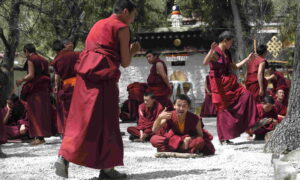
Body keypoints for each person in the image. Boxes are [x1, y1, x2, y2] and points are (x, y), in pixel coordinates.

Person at [55, 1, 140, 179]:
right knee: (107, 122)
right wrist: (133, 51)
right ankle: (108, 169)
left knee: (81, 120)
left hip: (84, 79)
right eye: (133, 15)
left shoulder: (98, 24)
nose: (132, 20)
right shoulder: (122, 27)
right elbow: (125, 62)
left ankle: (64, 156)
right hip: (103, 80)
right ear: (125, 11)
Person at [203, 31, 258, 144]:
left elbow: (234, 66)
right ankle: (224, 138)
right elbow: (205, 62)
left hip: (229, 81)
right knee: (223, 109)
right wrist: (210, 50)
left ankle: (249, 123)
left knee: (247, 95)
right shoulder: (216, 52)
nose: (231, 44)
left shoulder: (227, 53)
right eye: (231, 42)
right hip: (219, 84)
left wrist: (247, 59)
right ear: (225, 40)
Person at [150, 94, 215, 155]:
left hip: (188, 140)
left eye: (184, 106)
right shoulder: (169, 115)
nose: (181, 108)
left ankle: (172, 149)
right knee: (154, 139)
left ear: (188, 107)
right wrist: (159, 118)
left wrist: (189, 138)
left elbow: (200, 135)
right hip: (173, 140)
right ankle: (185, 150)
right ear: (174, 106)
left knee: (200, 141)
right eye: (178, 105)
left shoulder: (194, 118)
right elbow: (154, 130)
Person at [16, 43, 53, 145]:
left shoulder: (31, 59)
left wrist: (21, 80)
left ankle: (39, 138)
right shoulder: (44, 60)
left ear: (27, 51)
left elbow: (31, 75)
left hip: (35, 88)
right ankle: (41, 137)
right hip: (44, 88)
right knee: (43, 112)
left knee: (35, 113)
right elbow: (48, 74)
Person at [52, 40, 80, 134]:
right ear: (65, 46)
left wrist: (56, 86)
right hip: (81, 84)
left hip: (67, 85)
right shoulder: (78, 54)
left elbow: (57, 75)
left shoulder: (57, 59)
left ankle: (70, 131)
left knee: (69, 110)